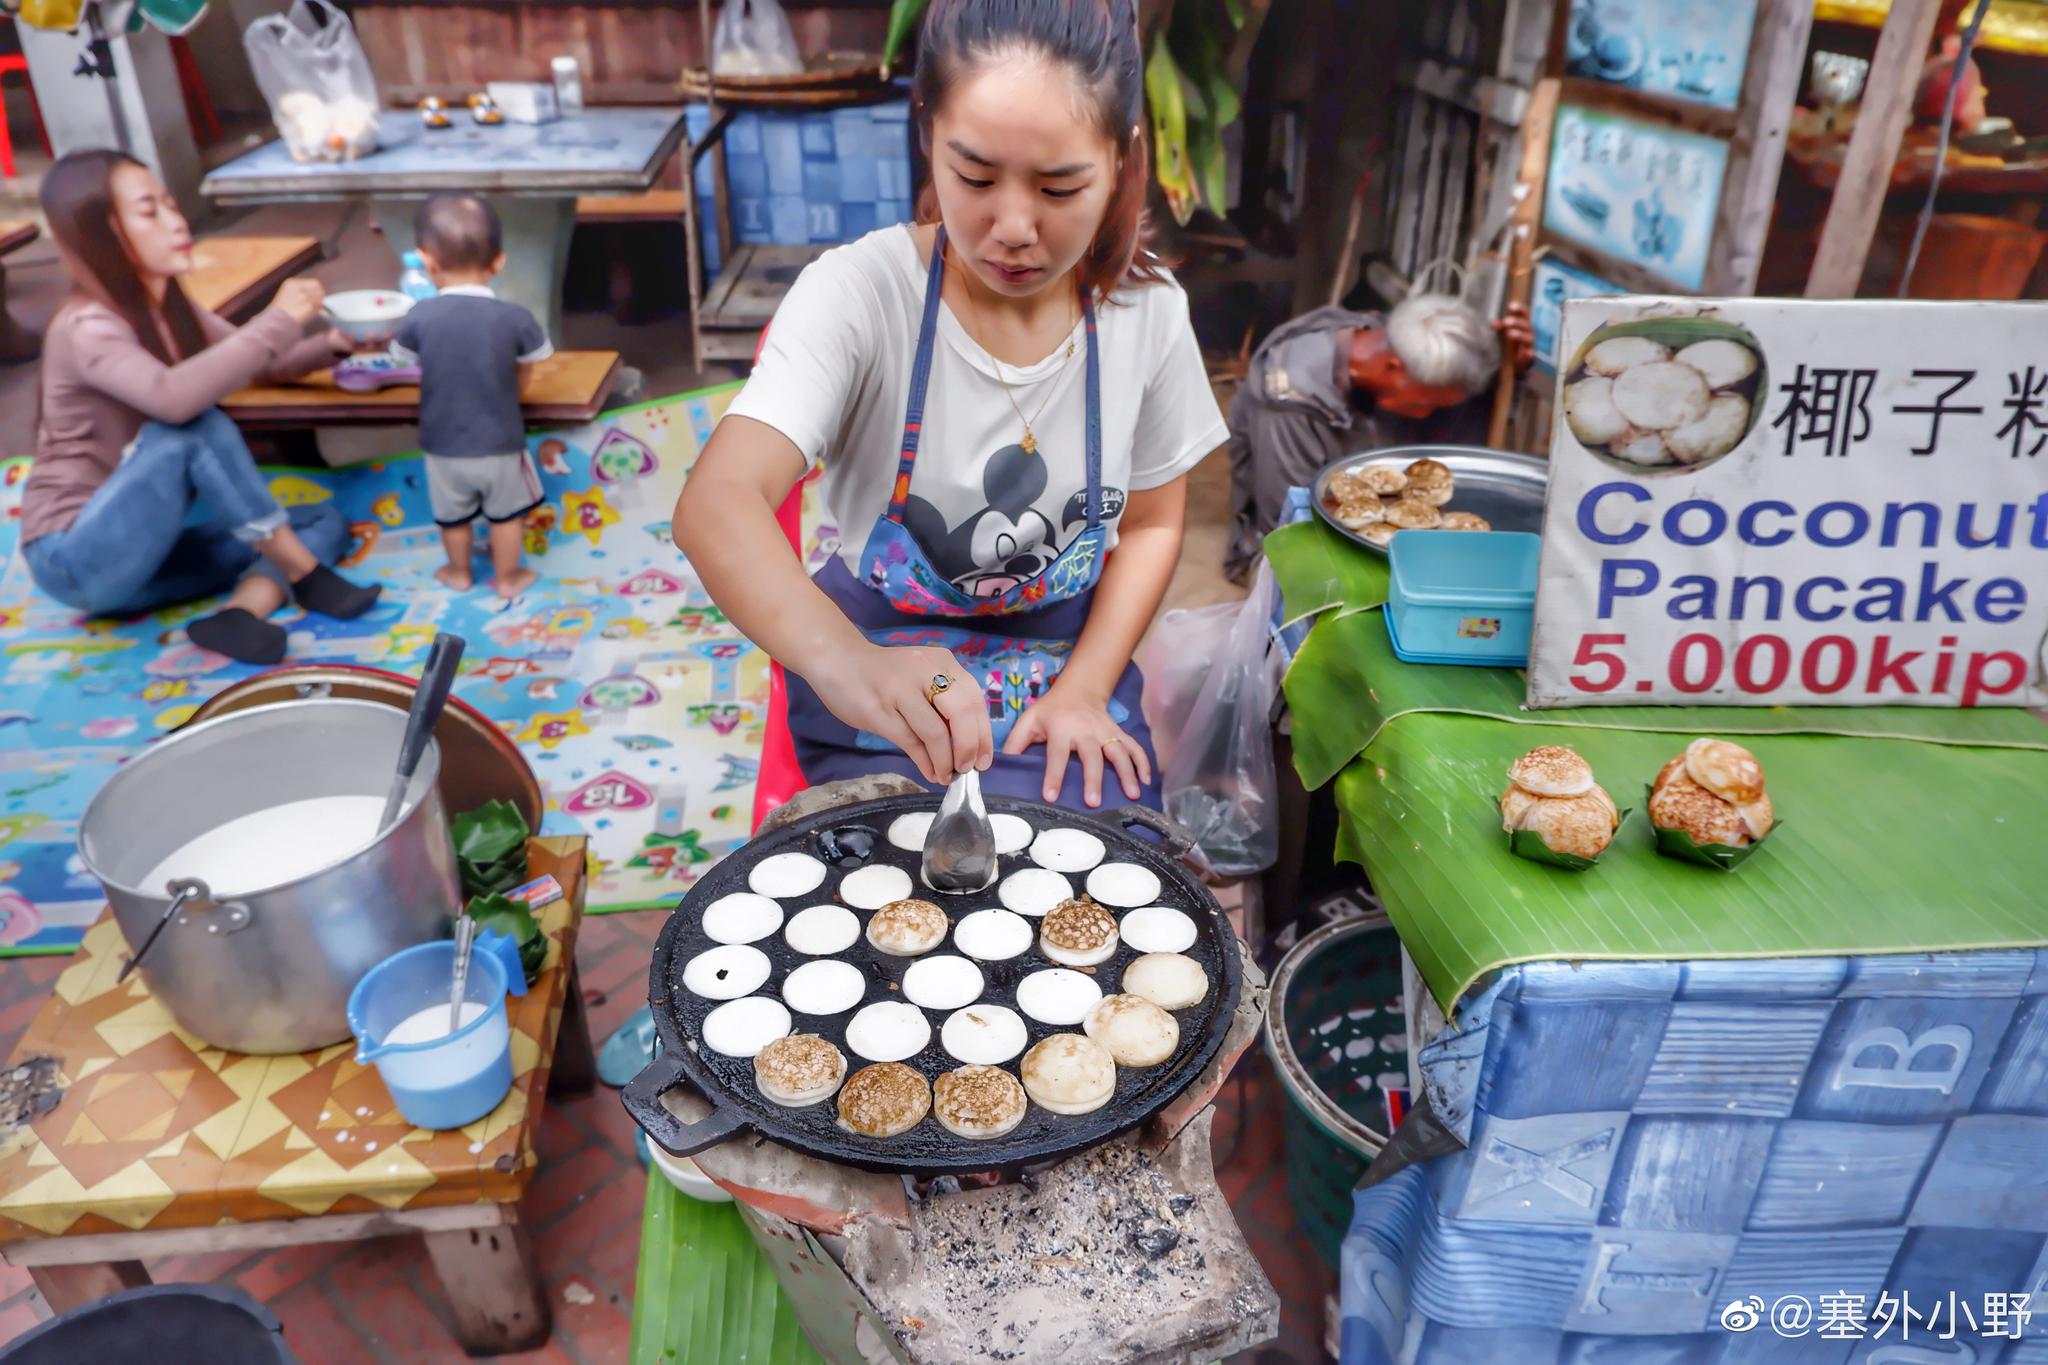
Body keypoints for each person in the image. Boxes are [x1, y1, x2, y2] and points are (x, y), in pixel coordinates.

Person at [675, 0, 1224, 812]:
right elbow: (717, 503)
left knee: (1110, 875)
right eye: (974, 176)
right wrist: (848, 663)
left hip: (1064, 660)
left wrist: (1084, 687)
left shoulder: (1148, 315)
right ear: (927, 133)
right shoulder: (860, 295)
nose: (1012, 226)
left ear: (1122, 159)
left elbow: (1150, 524)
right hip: (880, 660)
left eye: (1059, 185)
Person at [22, 149, 381, 665]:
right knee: (190, 426)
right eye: (150, 212)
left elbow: (255, 364)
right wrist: (277, 318)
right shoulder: (86, 327)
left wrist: (341, 344)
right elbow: (175, 398)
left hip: (151, 558)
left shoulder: (168, 304)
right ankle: (308, 577)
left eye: (170, 204)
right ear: (100, 234)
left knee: (320, 517)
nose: (176, 222)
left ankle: (239, 615)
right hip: (75, 560)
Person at [1223, 294, 1536, 581]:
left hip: (1384, 508)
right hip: (1296, 542)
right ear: (1392, 367)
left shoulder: (1385, 336)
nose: (1426, 413)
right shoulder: (1292, 404)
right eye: (1427, 402)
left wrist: (1510, 367)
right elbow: (1291, 525)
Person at [388, 193, 553, 598]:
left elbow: (402, 364)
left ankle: (458, 572)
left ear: (426, 262)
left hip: (442, 444)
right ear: (499, 261)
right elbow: (530, 367)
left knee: (453, 519)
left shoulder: (418, 317)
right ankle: (508, 578)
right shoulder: (515, 318)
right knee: (506, 518)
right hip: (499, 440)